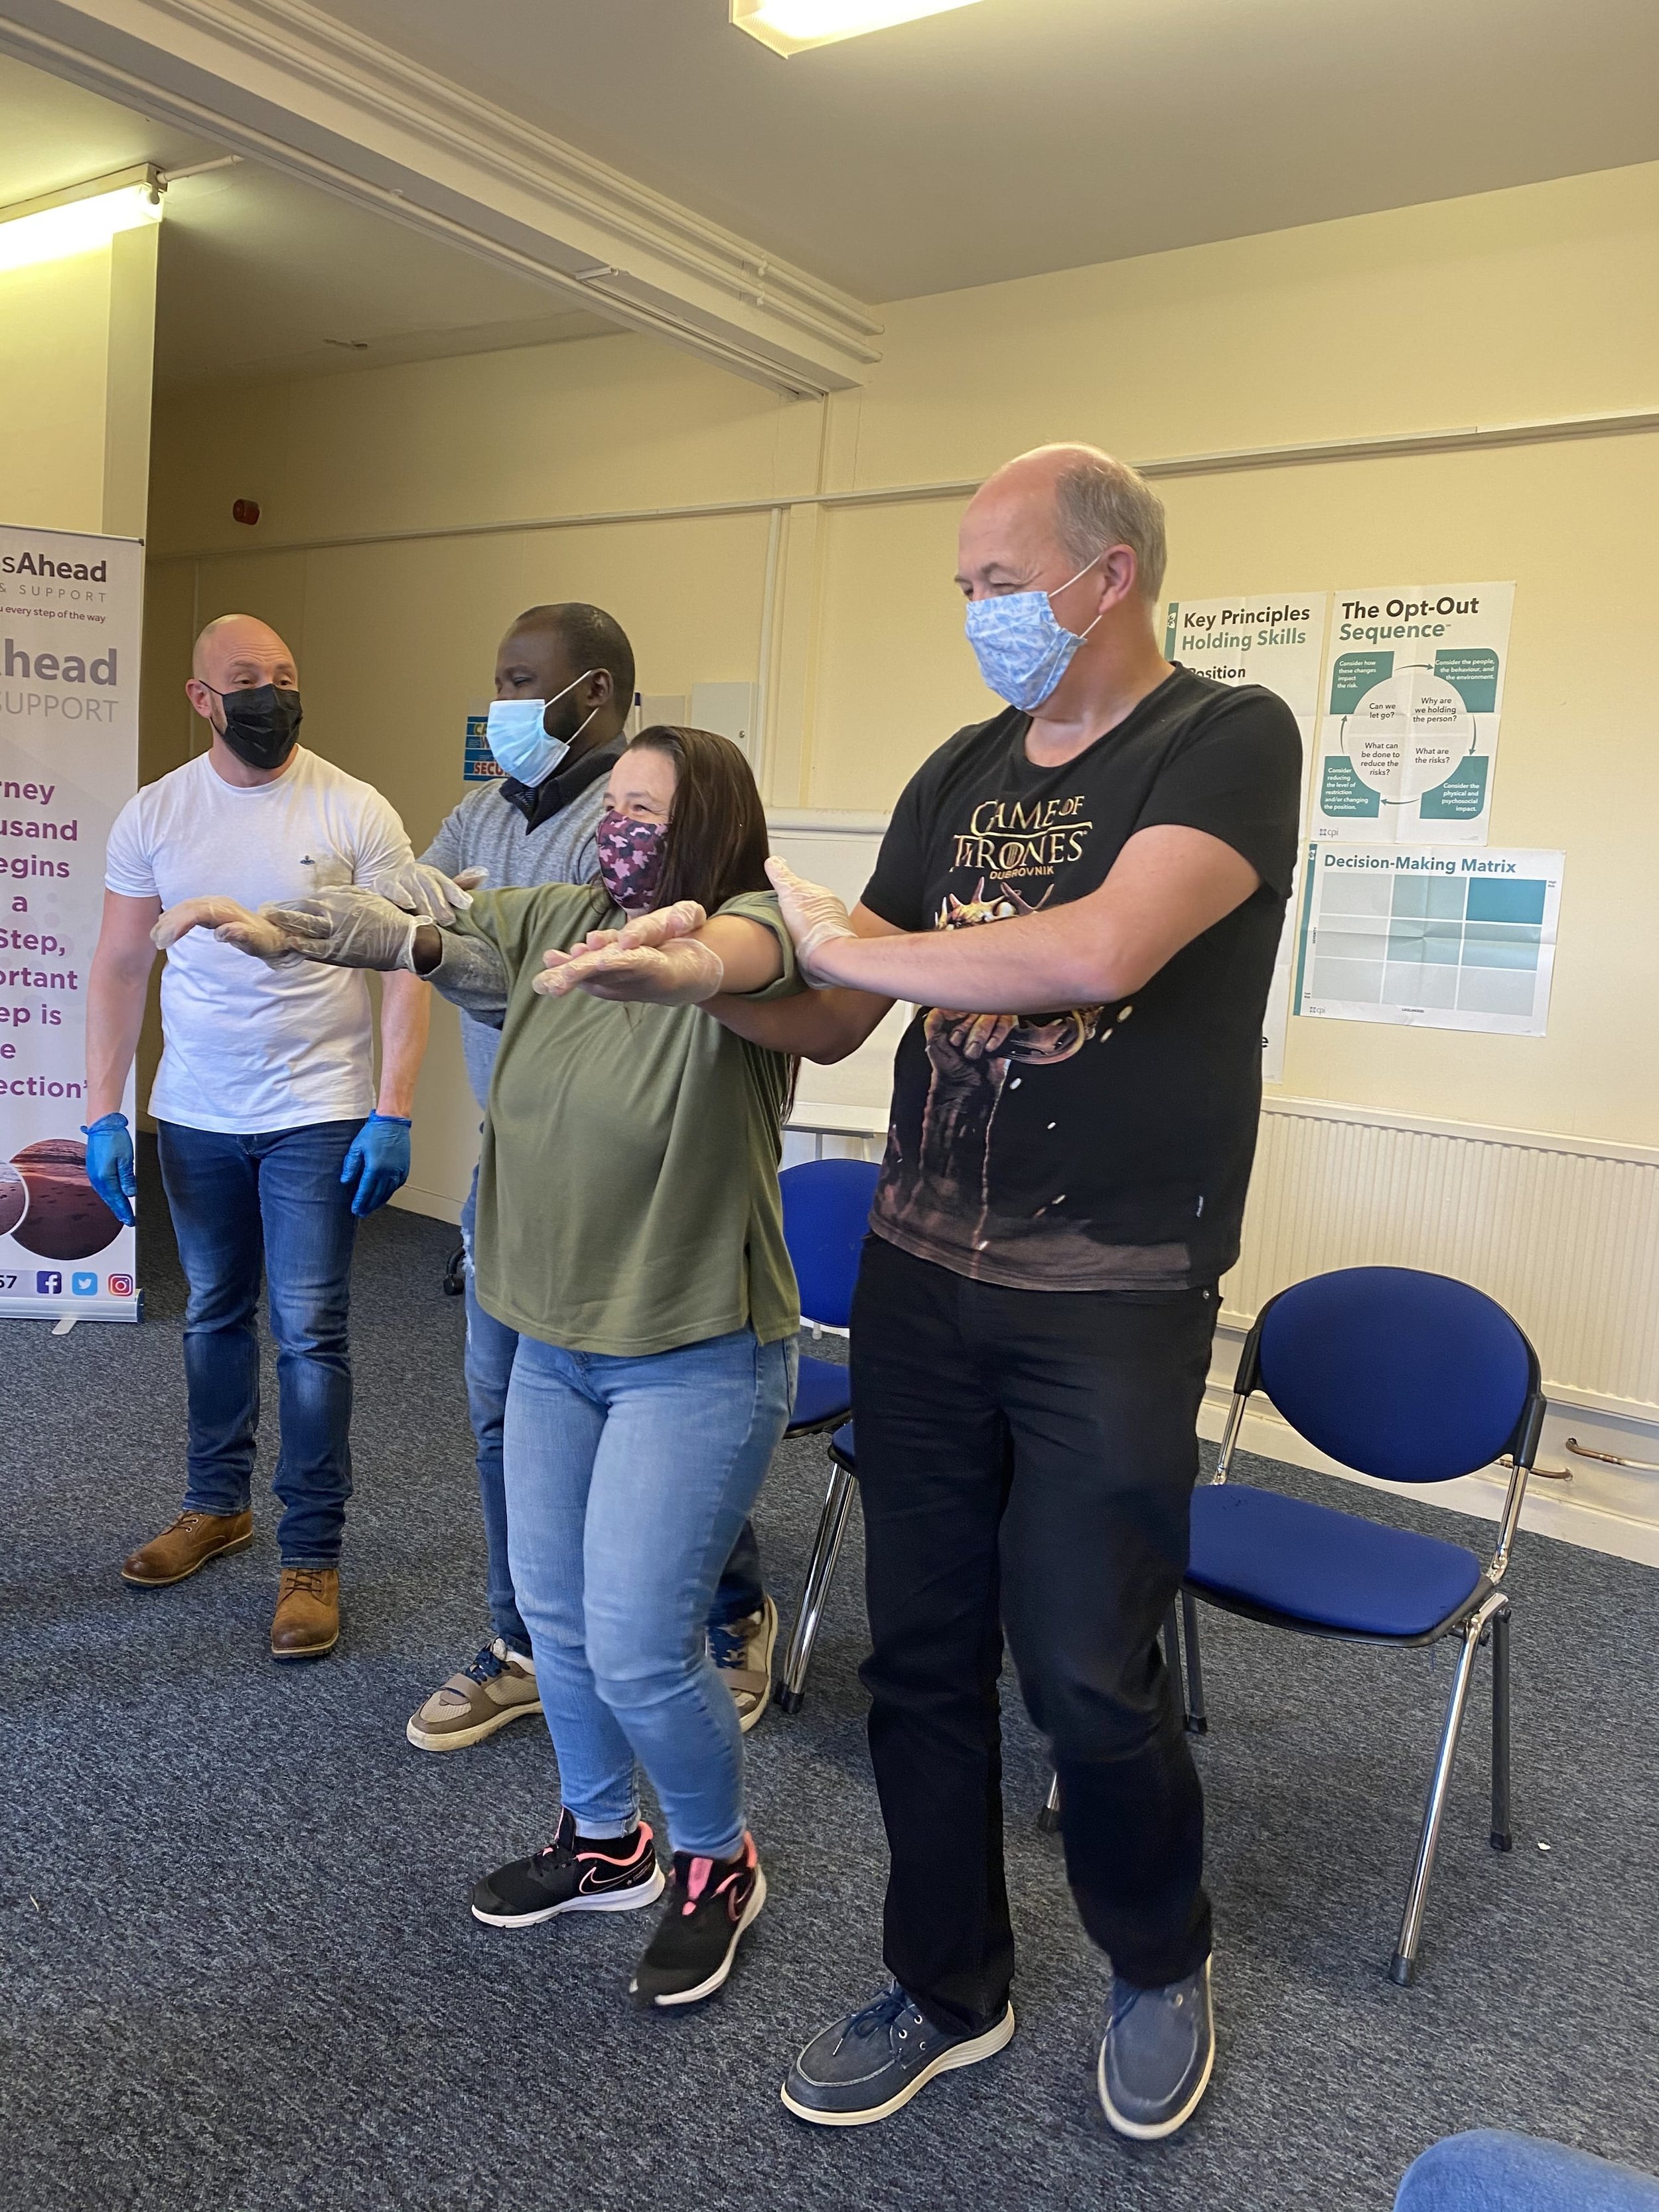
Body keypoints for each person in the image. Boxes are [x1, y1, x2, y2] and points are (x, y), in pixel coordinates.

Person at [701, 445, 1302, 2134]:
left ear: (1105, 577)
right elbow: (837, 1017)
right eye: (962, 586)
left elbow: (1097, 948)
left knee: (1087, 1671)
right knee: (919, 1656)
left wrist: (844, 939)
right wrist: (686, 980)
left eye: (996, 582)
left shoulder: (1224, 736)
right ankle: (946, 1981)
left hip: (1109, 1293)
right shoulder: (962, 766)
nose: (973, 612)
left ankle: (1156, 1952)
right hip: (921, 1274)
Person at [173, 727, 799, 2010]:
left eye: (647, 810)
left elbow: (747, 950)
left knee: (639, 1644)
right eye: (615, 803)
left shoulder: (751, 935)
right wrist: (306, 931)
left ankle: (715, 1857)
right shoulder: (563, 915)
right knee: (553, 1619)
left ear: (710, 827)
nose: (618, 827)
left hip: (692, 1350)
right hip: (551, 1339)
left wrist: (673, 958)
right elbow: (439, 938)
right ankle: (605, 1838)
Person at [404, 603, 778, 1755]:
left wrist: (673, 964)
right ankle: (524, 1645)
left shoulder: (706, 889)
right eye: (502, 678)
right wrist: (394, 927)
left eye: (526, 682)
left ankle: (726, 1609)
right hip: (521, 1178)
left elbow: (716, 951)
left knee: (656, 1496)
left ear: (595, 690)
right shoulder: (495, 816)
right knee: (504, 1424)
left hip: (663, 1238)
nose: (506, 704)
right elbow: (445, 915)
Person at [85, 613, 436, 1661]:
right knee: (212, 1316)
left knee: (312, 1331)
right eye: (246, 678)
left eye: (284, 674)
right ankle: (216, 1505)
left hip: (316, 1108)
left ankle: (311, 1555)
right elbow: (119, 965)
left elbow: (408, 960)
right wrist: (103, 1109)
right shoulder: (156, 812)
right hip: (197, 1112)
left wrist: (394, 1106)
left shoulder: (355, 807)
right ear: (202, 698)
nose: (271, 694)